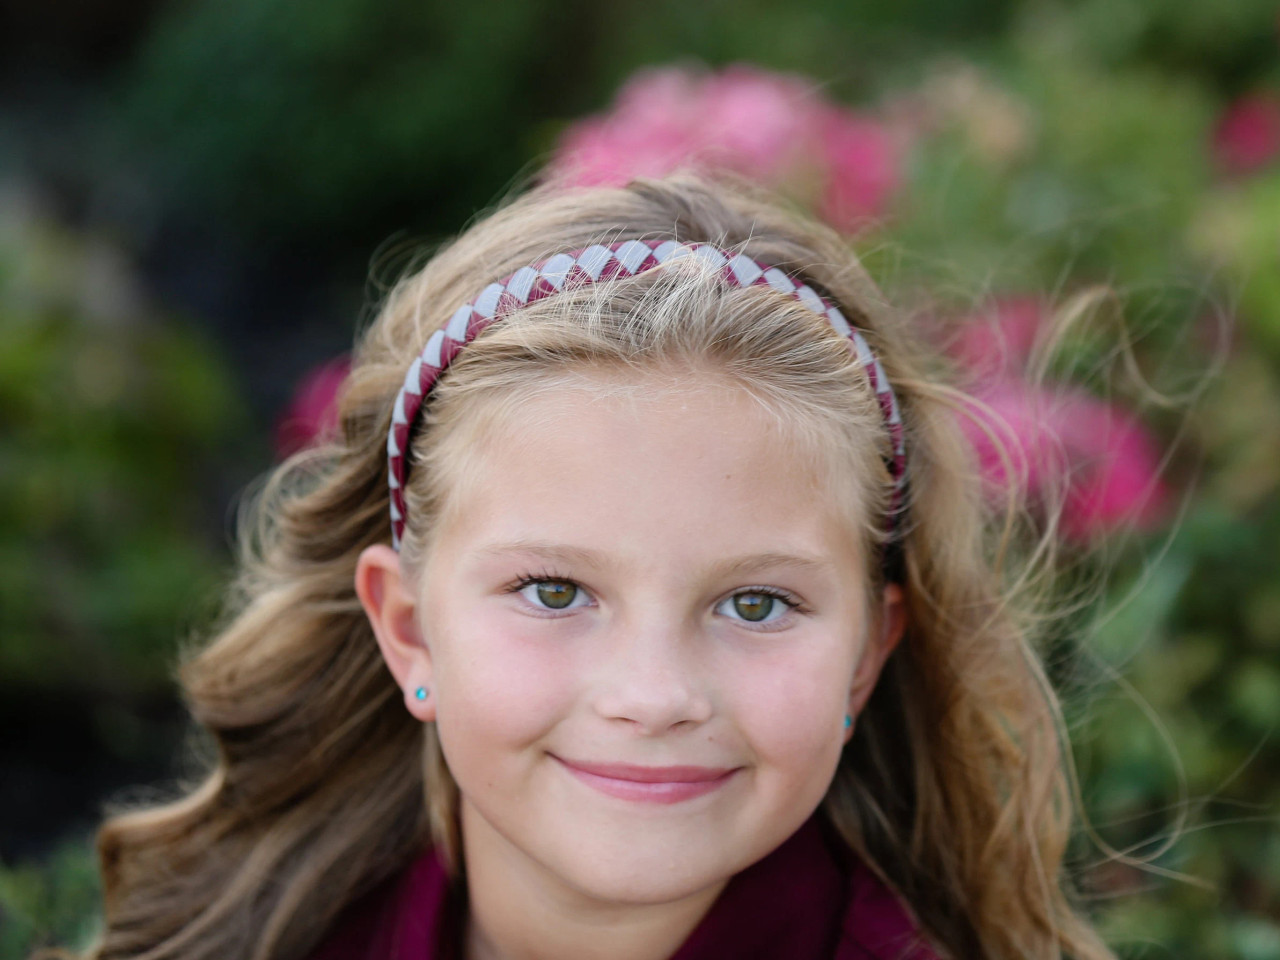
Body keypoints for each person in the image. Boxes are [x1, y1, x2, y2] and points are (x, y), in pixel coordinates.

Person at [74, 172, 1120, 960]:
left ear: (862, 656)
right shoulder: (268, 932)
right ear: (407, 630)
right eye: (554, 591)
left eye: (755, 602)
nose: (653, 696)